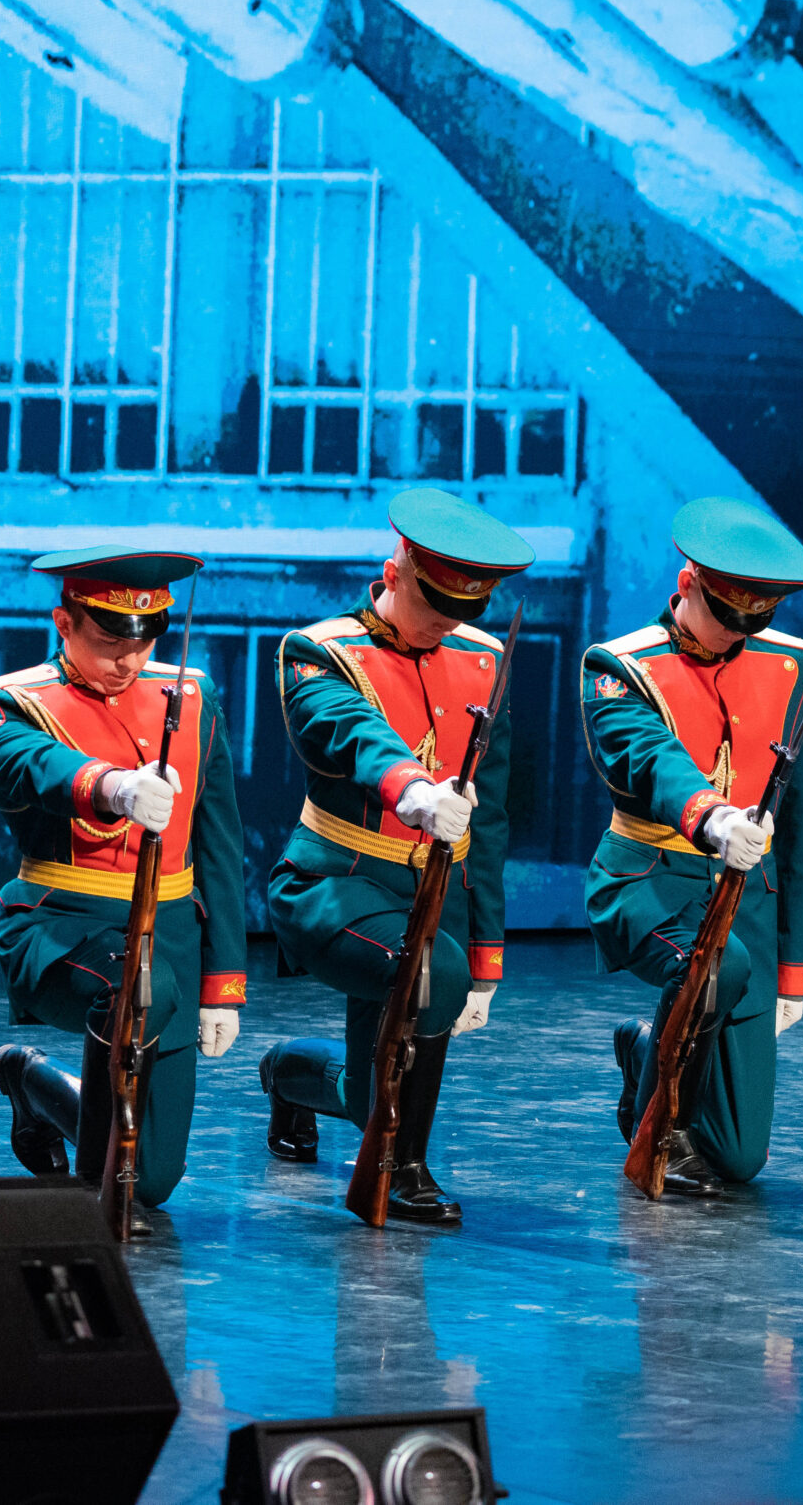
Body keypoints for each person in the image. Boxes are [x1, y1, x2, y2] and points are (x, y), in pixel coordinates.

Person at [254, 489, 534, 1224]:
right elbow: (349, 728)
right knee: (428, 975)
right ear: (393, 573)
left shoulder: (485, 659)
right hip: (334, 883)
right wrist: (410, 787)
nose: (448, 623)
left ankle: (289, 1074)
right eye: (434, 604)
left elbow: (489, 820)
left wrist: (487, 954)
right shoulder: (320, 651)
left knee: (369, 1086)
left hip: (431, 894)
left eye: (463, 609)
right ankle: (402, 1166)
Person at [0, 548, 246, 1218]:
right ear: (64, 622)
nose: (128, 660)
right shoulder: (9, 701)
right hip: (61, 927)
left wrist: (224, 982)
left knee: (152, 1178)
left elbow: (218, 843)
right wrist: (112, 786)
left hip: (171, 936)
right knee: (116, 1168)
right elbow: (25, 763)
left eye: (144, 642)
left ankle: (33, 1083)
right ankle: (93, 1190)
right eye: (108, 642)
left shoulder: (192, 696)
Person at [588, 497, 803, 1196]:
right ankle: (657, 1119)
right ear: (687, 584)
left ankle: (645, 1051)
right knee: (718, 966)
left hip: (746, 905)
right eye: (725, 617)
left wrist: (796, 969)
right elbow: (651, 758)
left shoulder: (792, 663)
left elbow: (801, 825)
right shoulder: (618, 666)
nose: (735, 636)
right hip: (648, 880)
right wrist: (713, 818)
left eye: (754, 621)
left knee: (739, 1157)